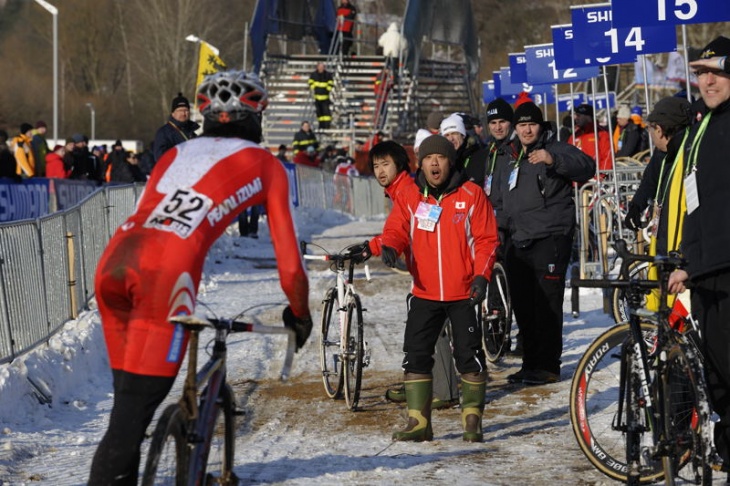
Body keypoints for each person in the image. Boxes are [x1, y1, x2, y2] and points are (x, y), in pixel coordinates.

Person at [87, 70, 313, 484]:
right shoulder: (266, 165)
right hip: (165, 272)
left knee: (128, 413)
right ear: (256, 116)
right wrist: (300, 313)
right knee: (129, 423)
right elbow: (291, 267)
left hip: (116, 258)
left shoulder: (175, 154)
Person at [376, 135, 499, 442]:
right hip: (424, 292)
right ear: (421, 163)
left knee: (469, 357)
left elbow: (486, 240)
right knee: (416, 355)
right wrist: (390, 244)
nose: (434, 163)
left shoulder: (471, 194)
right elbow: (397, 227)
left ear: (450, 161)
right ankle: (419, 423)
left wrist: (481, 276)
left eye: (440, 158)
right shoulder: (411, 196)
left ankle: (472, 421)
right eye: (428, 158)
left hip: (463, 294)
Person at [491, 102, 595, 385]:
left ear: (540, 126)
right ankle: (530, 363)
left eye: (532, 124)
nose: (526, 129)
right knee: (523, 304)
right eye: (522, 124)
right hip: (517, 238)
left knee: (546, 304)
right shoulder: (509, 155)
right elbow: (499, 198)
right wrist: (499, 233)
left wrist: (553, 160)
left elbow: (588, 167)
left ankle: (548, 365)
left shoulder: (557, 148)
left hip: (551, 236)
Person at [666, 36, 730, 474]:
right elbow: (698, 202)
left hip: (725, 266)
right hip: (705, 268)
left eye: (717, 72)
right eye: (701, 73)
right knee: (718, 374)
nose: (708, 81)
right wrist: (685, 259)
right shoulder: (703, 127)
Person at [367, 141, 460, 410]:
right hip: (425, 266)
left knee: (433, 325)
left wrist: (376, 246)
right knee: (420, 328)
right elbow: (396, 231)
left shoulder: (408, 189)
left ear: (401, 164)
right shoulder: (398, 190)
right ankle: (418, 383)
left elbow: (410, 229)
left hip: (437, 266)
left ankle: (445, 391)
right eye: (375, 166)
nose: (380, 171)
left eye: (386, 164)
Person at [153, 92, 200, 162]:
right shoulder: (164, 133)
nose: (183, 114)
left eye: (186, 110)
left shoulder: (192, 132)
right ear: (173, 113)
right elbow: (161, 158)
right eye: (180, 110)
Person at [568, 103, 612, 172]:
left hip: (596, 178)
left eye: (579, 115)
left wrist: (601, 176)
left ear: (588, 117)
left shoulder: (601, 133)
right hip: (577, 179)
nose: (576, 118)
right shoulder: (574, 135)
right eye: (576, 115)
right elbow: (568, 156)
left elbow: (608, 156)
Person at [308, 62, 334, 130]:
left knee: (326, 113)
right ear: (317, 67)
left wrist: (327, 90)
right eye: (320, 67)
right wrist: (314, 87)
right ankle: (321, 125)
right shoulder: (313, 75)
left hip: (325, 98)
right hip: (317, 98)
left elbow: (331, 83)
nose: (321, 68)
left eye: (322, 67)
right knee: (319, 113)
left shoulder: (328, 75)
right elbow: (310, 82)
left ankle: (327, 126)